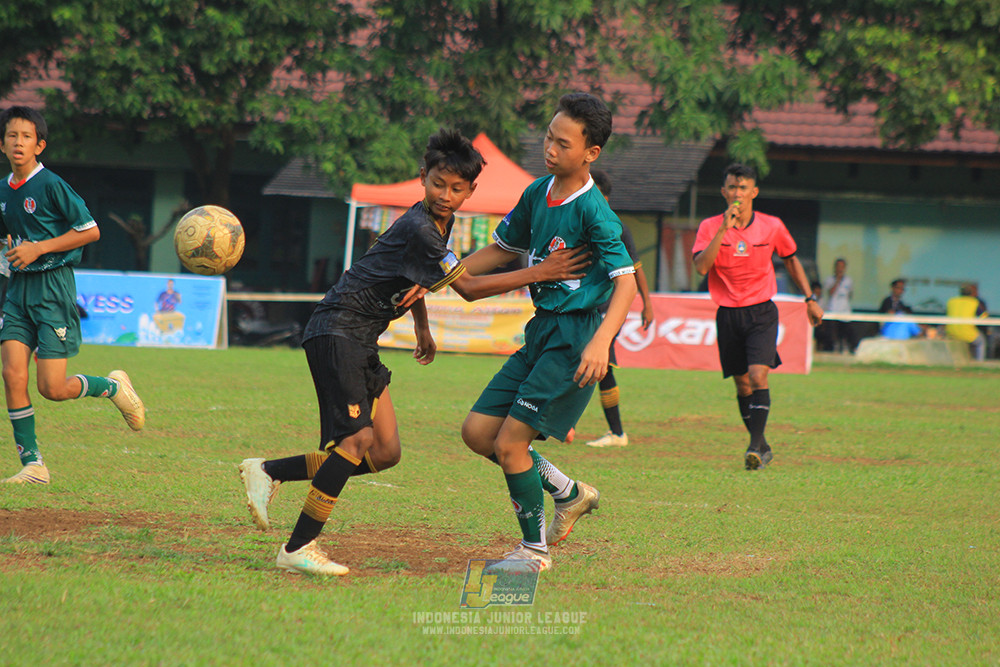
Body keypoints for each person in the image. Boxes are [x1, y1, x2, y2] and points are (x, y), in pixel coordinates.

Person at [237, 128, 590, 576]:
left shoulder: (438, 223)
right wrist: (540, 271)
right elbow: (468, 288)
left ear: (470, 191)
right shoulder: (422, 227)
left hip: (360, 338)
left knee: (384, 451)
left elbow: (413, 276)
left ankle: (271, 471)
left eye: (456, 188)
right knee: (355, 442)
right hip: (338, 332)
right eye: (438, 184)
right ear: (423, 177)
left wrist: (421, 326)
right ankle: (298, 546)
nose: (445, 195)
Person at [461, 93, 638, 572]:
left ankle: (533, 552)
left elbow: (625, 283)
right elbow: (502, 249)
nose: (550, 148)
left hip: (573, 338)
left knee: (509, 444)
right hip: (540, 331)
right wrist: (445, 271)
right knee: (478, 433)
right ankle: (569, 493)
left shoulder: (595, 211)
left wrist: (601, 342)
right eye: (548, 137)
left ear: (590, 153)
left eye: (563, 143)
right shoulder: (537, 192)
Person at [0, 106, 145, 484]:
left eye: (26, 136)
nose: (18, 142)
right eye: (12, 136)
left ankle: (113, 387)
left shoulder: (51, 185)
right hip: (18, 292)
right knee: (12, 373)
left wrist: (39, 248)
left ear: (40, 145)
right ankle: (33, 464)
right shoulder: (2, 190)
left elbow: (90, 230)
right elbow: (7, 243)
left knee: (52, 388)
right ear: (2, 144)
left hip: (52, 290)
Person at [693, 163, 823, 471]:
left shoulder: (772, 226)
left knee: (757, 376)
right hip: (728, 314)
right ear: (724, 192)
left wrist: (810, 299)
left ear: (754, 192)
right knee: (742, 384)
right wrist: (723, 229)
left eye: (743, 188)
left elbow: (791, 261)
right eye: (732, 188)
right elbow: (701, 267)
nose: (737, 194)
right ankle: (761, 445)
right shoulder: (710, 226)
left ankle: (754, 446)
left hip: (762, 311)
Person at [579, 169, 653, 448]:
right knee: (585, 363)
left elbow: (636, 268)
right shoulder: (580, 223)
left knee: (602, 365)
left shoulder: (617, 227)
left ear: (605, 198)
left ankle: (617, 433)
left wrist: (647, 304)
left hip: (611, 308)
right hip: (585, 305)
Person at [822, 258, 857, 353]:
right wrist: (837, 280)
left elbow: (850, 294)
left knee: (847, 331)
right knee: (832, 332)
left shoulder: (848, 280)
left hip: (844, 310)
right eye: (838, 266)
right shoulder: (829, 279)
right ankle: (831, 349)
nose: (840, 269)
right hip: (833, 309)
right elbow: (830, 292)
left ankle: (849, 348)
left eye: (842, 267)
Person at [946, 284, 988, 361]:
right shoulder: (974, 302)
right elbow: (983, 316)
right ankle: (979, 362)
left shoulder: (951, 301)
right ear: (972, 293)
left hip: (951, 332)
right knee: (981, 342)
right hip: (967, 333)